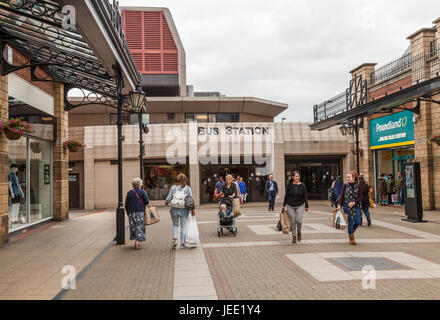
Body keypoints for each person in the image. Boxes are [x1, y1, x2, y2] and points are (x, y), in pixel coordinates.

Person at [165, 173, 195, 249]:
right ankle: (182, 243)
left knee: (175, 225)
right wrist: (192, 210)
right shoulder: (188, 188)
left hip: (174, 209)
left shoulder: (173, 187)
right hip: (184, 210)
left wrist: (166, 202)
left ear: (177, 179)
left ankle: (175, 240)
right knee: (184, 226)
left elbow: (169, 198)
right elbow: (190, 200)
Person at [283, 171, 309, 244]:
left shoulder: (303, 185)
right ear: (293, 177)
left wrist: (306, 205)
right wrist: (283, 205)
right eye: (296, 176)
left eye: (298, 176)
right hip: (290, 205)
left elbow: (305, 196)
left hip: (300, 205)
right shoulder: (289, 185)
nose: (298, 177)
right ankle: (294, 236)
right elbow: (286, 195)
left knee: (299, 221)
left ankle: (299, 232)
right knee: (293, 221)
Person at [337, 172, 362, 245]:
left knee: (358, 221)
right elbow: (341, 195)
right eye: (347, 177)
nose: (347, 178)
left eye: (349, 177)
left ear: (353, 178)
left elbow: (361, 197)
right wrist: (339, 205)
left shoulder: (358, 186)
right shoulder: (345, 185)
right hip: (346, 205)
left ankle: (351, 231)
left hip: (355, 205)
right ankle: (352, 239)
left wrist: (354, 202)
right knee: (350, 221)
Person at [125, 178, 150, 250]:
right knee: (139, 226)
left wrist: (128, 213)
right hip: (139, 212)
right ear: (139, 184)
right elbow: (147, 202)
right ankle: (137, 242)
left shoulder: (129, 193)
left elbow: (126, 204)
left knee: (133, 227)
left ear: (133, 185)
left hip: (131, 213)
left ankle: (136, 240)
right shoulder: (142, 192)